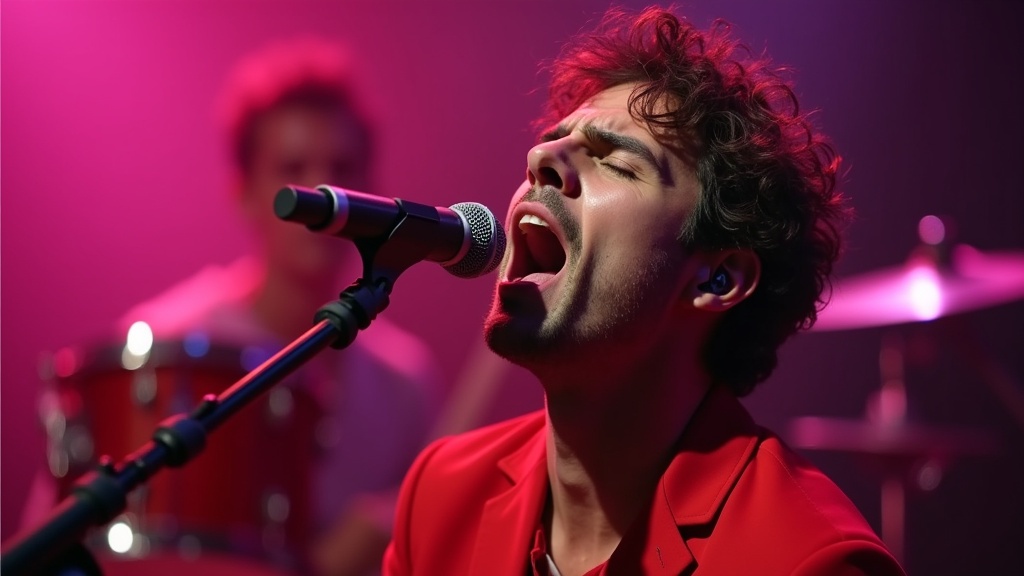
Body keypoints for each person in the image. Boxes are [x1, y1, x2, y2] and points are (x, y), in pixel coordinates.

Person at [383, 6, 905, 576]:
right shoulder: (439, 498)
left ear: (717, 277)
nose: (539, 160)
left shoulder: (805, 559)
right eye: (551, 142)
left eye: (615, 162)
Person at [23, 38, 440, 576]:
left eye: (343, 166)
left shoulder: (404, 382)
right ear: (244, 191)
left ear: (374, 189)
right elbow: (54, 552)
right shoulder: (163, 347)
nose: (325, 190)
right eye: (294, 166)